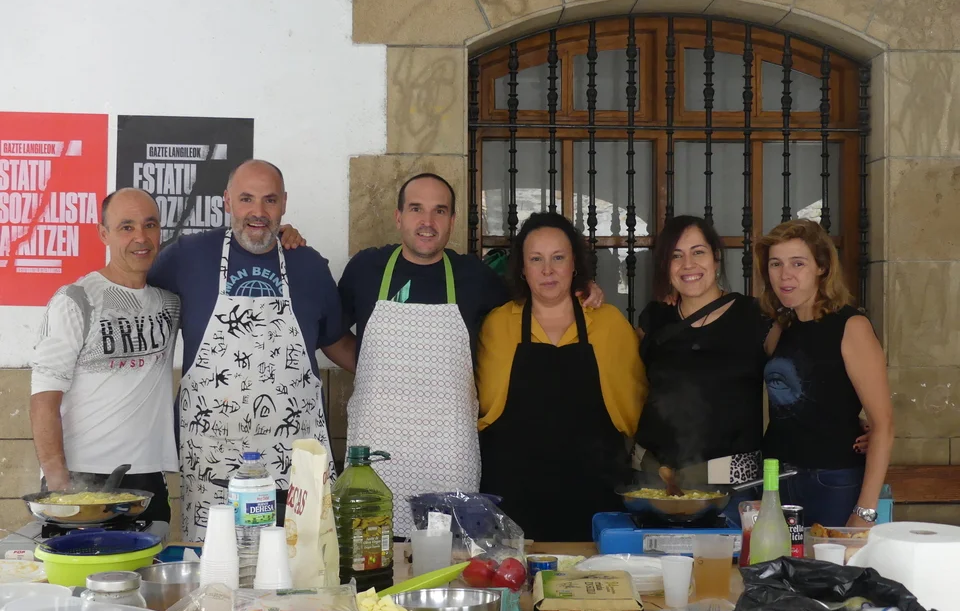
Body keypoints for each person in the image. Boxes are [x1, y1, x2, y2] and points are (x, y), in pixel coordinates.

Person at [337, 173, 604, 537]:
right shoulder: (365, 269)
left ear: (452, 220)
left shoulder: (476, 278)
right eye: (416, 209)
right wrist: (374, 371)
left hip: (449, 455)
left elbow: (538, 300)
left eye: (439, 211)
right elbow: (330, 334)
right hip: (375, 454)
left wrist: (582, 286)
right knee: (373, 552)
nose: (427, 221)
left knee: (451, 555)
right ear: (398, 216)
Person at [148, 159, 348, 541]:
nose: (258, 212)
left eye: (269, 200)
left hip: (293, 457)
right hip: (213, 459)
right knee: (217, 565)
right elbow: (136, 296)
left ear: (284, 203)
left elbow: (336, 342)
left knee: (301, 559)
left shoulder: (308, 265)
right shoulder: (187, 256)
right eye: (246, 199)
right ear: (227, 201)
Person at [476, 212, 644, 542]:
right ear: (522, 268)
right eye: (535, 259)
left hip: (595, 500)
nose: (547, 270)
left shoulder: (610, 324)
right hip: (514, 500)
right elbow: (482, 407)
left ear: (575, 264)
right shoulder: (497, 325)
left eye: (558, 258)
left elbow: (634, 412)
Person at [30, 188, 179, 527]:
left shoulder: (169, 302)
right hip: (82, 479)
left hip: (148, 480)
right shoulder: (77, 300)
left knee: (149, 561)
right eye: (126, 227)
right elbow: (43, 401)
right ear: (103, 233)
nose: (140, 237)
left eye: (150, 225)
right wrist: (60, 488)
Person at [757, 219, 893, 528]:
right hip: (776, 479)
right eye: (776, 264)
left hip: (832, 481)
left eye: (798, 263)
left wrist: (865, 512)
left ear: (822, 267)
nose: (785, 274)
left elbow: (883, 425)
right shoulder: (781, 327)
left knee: (830, 561)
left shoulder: (851, 326)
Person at [634, 216, 778, 504]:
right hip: (655, 481)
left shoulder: (756, 317)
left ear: (716, 257)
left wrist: (854, 419)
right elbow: (627, 381)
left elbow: (798, 377)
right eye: (676, 255)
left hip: (733, 487)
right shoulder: (655, 318)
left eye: (698, 252)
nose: (688, 264)